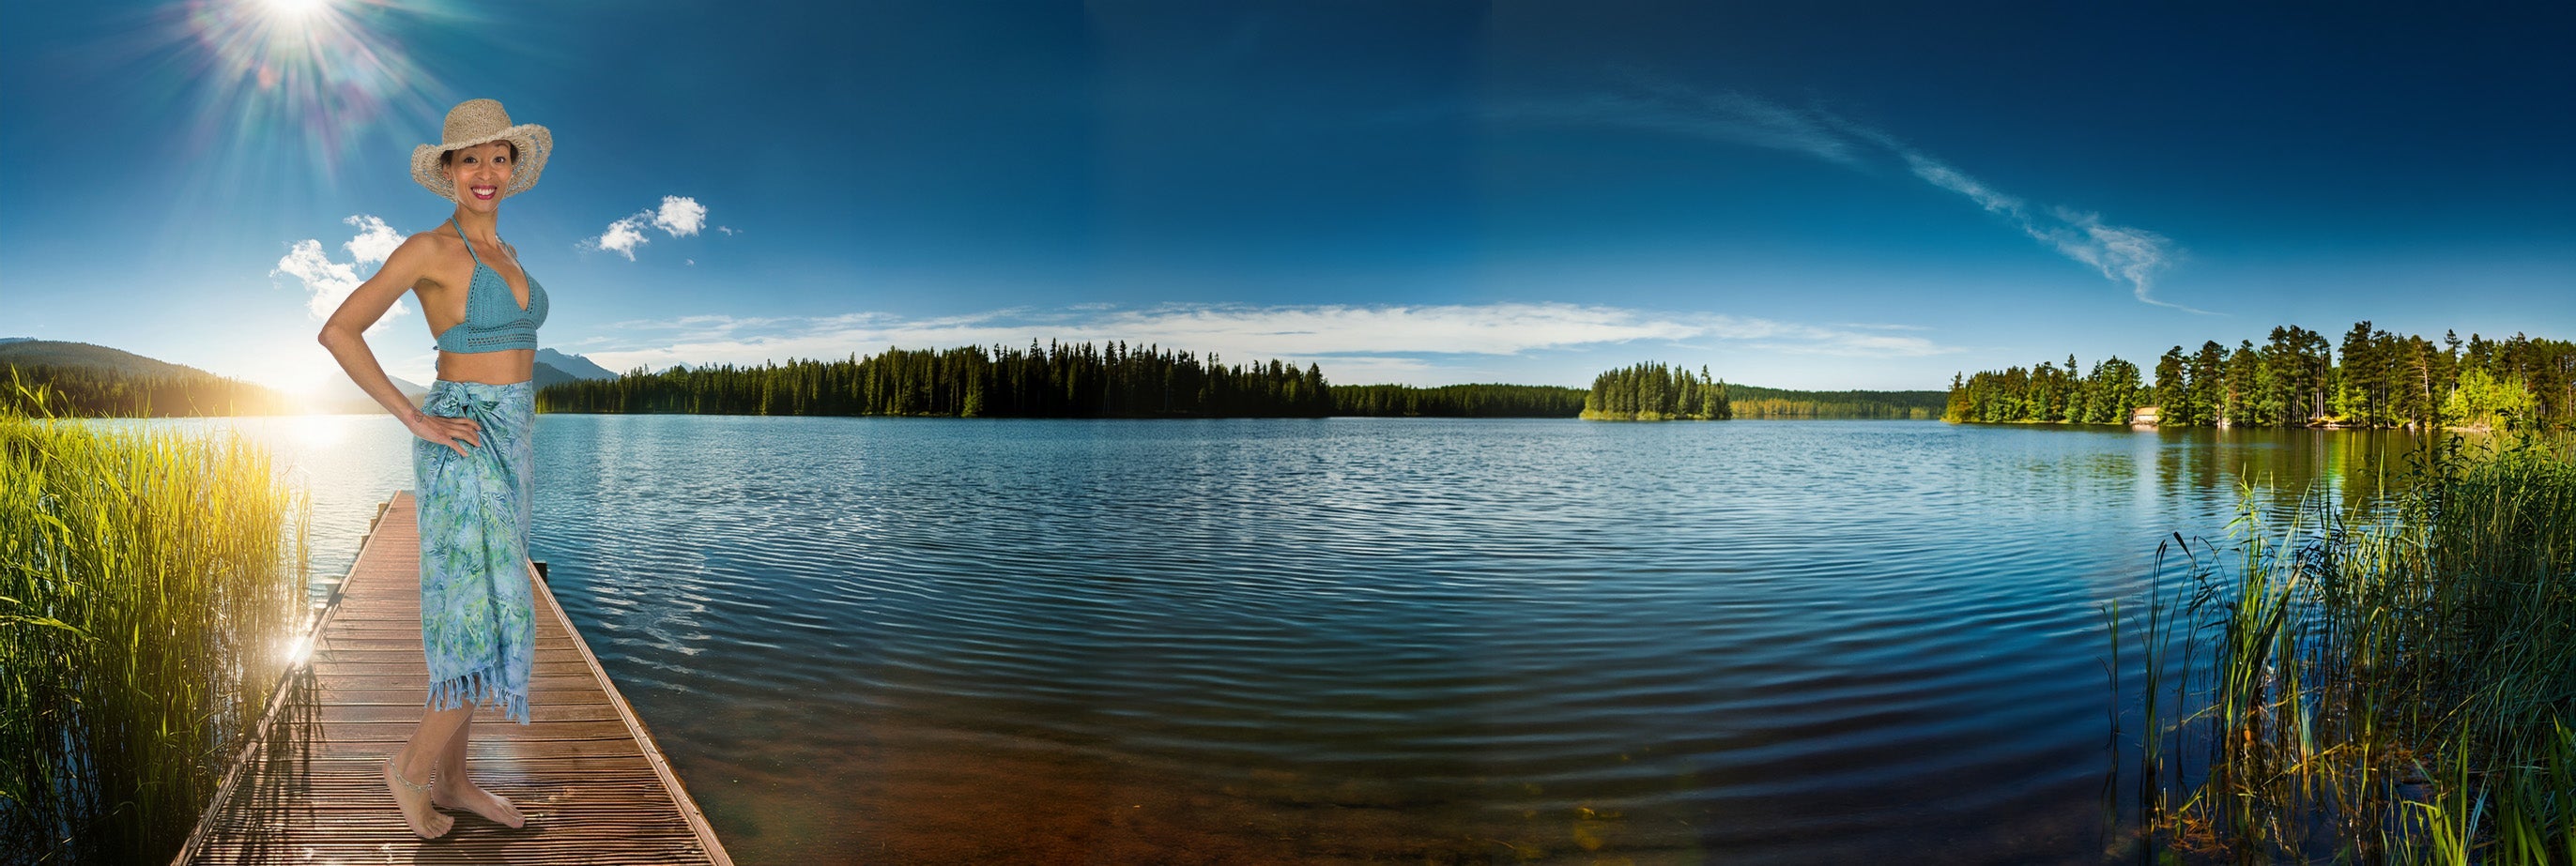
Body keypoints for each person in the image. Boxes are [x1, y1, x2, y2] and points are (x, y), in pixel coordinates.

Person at [317, 98, 553, 840]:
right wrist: (413, 414)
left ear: (513, 168)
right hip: (463, 437)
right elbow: (339, 329)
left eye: (498, 157)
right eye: (470, 159)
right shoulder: (428, 248)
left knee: (472, 616)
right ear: (448, 171)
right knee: (494, 612)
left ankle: (453, 779)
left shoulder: (512, 255)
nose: (486, 172)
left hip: (512, 442)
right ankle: (411, 769)